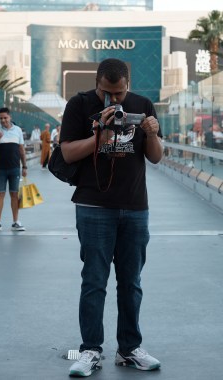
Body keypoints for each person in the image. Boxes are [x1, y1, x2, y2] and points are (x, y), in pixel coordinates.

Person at [60, 58, 162, 377]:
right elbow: (66, 152)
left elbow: (155, 157)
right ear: (97, 83)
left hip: (134, 206)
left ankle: (129, 349)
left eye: (118, 94)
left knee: (131, 282)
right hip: (93, 206)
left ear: (128, 86)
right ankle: (90, 350)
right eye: (106, 92)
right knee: (94, 281)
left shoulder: (143, 105)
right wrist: (99, 134)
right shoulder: (79, 106)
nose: (113, 100)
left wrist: (154, 133)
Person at [0, 107, 27, 232]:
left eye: (5, 118)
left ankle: (15, 222)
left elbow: (21, 149)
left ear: (10, 117)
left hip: (15, 168)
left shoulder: (18, 130)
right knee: (0, 194)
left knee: (14, 195)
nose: (3, 120)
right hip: (0, 169)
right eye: (1, 118)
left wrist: (24, 166)